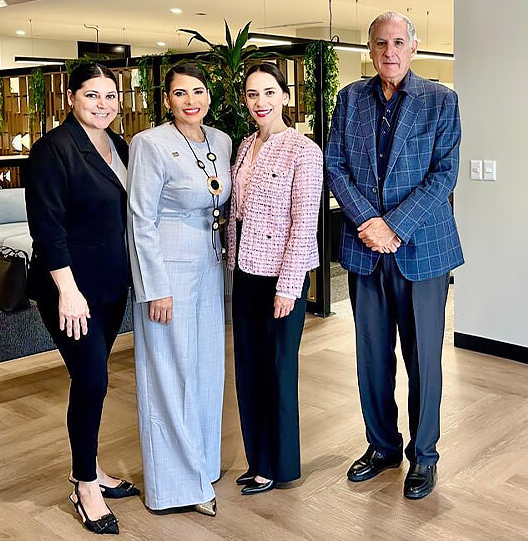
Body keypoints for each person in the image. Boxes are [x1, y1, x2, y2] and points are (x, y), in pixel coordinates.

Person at [326, 11, 464, 500]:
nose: (390, 51)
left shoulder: (440, 100)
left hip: (422, 249)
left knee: (424, 359)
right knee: (372, 358)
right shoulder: (350, 99)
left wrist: (394, 226)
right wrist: (369, 223)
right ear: (370, 49)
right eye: (381, 43)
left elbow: (444, 174)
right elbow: (335, 165)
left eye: (399, 42)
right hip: (366, 249)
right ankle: (382, 446)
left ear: (413, 47)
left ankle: (424, 455)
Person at [26, 63, 138, 535]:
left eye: (111, 96)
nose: (103, 104)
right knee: (92, 380)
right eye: (92, 95)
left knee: (94, 379)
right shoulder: (52, 150)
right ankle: (85, 485)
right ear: (71, 97)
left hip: (112, 285)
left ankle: (89, 467)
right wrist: (67, 292)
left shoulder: (121, 146)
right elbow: (47, 229)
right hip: (71, 290)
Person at [126, 62, 231, 516]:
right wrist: (155, 287)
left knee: (206, 369)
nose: (191, 100)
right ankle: (174, 487)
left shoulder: (221, 141)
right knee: (169, 373)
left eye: (199, 91)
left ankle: (202, 465)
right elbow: (140, 219)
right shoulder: (148, 143)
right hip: (167, 269)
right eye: (180, 93)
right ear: (167, 99)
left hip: (210, 266)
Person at [227, 63, 324, 495]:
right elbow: (237, 212)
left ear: (285, 96)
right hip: (246, 271)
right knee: (248, 368)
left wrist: (289, 285)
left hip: (282, 276)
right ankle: (257, 460)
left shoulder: (304, 150)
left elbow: (304, 224)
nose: (260, 102)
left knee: (278, 369)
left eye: (269, 92)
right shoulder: (246, 145)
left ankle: (279, 465)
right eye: (252, 94)